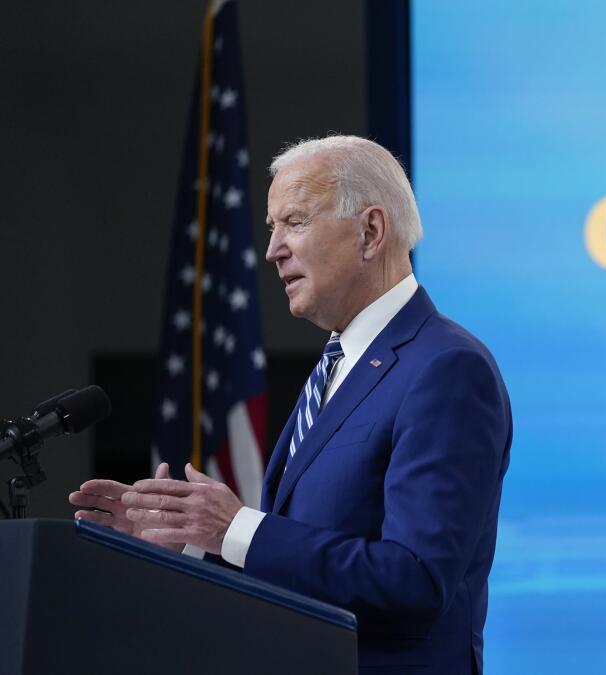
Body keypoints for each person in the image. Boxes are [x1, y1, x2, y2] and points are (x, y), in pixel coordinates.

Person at [69, 135, 512, 675]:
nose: (273, 248)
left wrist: (234, 528)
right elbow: (298, 569)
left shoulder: (444, 368)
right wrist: (193, 543)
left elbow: (414, 580)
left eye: (295, 222)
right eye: (272, 227)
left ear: (370, 232)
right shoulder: (341, 363)